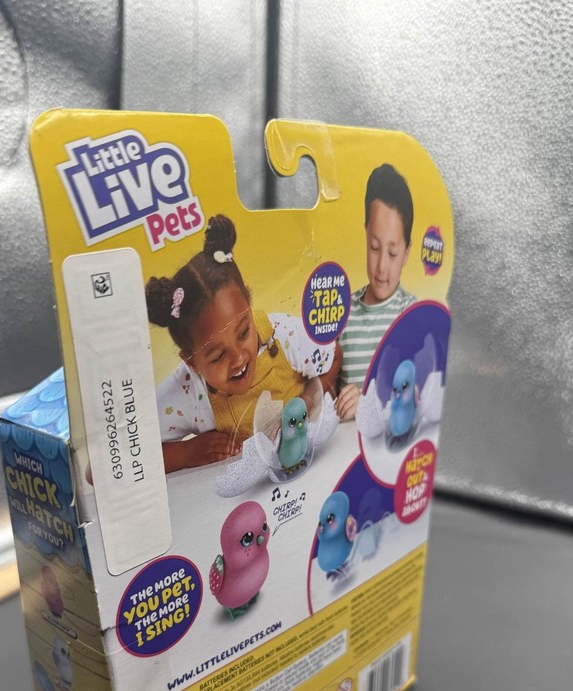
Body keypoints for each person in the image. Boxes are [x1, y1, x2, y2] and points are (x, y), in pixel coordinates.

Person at [148, 215, 341, 473]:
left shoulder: (281, 336)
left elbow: (333, 354)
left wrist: (311, 400)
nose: (238, 358)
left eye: (243, 333)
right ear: (191, 362)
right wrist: (187, 452)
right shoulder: (189, 391)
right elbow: (128, 453)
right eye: (218, 356)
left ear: (249, 304)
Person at [335, 164, 416, 420]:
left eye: (392, 253)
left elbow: (416, 398)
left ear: (406, 252)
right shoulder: (343, 312)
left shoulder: (410, 314)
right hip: (348, 442)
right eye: (374, 247)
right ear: (366, 233)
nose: (381, 266)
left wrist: (367, 406)